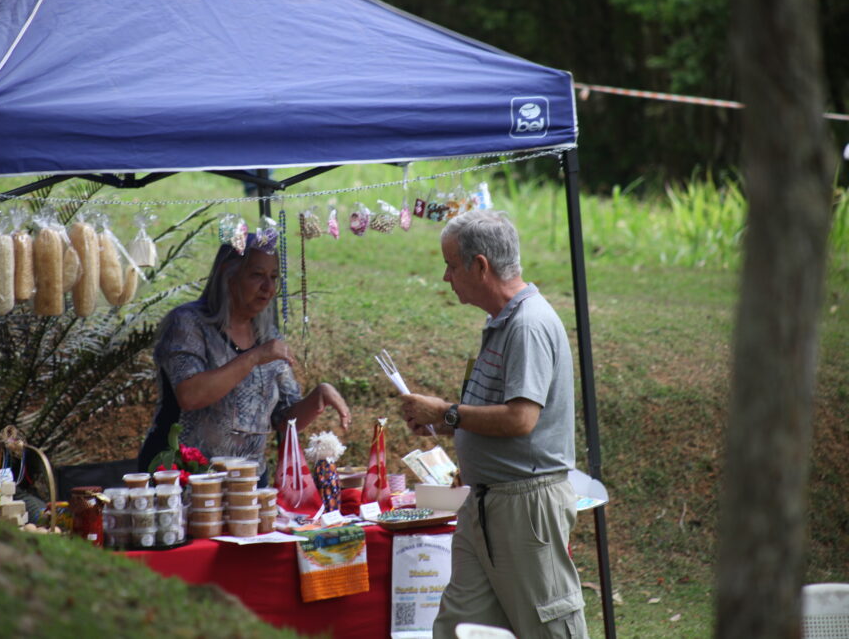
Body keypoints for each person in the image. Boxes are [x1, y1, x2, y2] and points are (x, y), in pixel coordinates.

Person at [400, 209, 588, 639]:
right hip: (485, 502)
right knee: (458, 627)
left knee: (549, 626)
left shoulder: (528, 324)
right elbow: (499, 413)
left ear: (479, 266)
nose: (447, 277)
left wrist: (448, 412)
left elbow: (522, 419)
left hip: (524, 506)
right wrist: (449, 426)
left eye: (451, 265)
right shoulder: (501, 322)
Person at [138, 234, 350, 482]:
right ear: (229, 275)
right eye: (257, 275)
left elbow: (283, 420)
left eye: (273, 278)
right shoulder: (188, 323)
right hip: (182, 477)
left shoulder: (266, 335)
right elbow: (190, 394)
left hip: (248, 481)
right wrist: (253, 358)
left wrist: (319, 397)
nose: (268, 288)